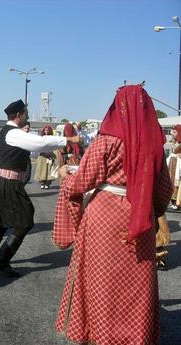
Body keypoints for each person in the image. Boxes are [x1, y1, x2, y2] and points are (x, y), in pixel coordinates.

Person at [52, 85, 172, 344]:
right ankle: (135, 336)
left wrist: (65, 180)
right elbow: (164, 190)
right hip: (140, 215)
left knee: (102, 280)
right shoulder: (155, 144)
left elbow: (84, 179)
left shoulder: (105, 140)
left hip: (104, 216)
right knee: (136, 283)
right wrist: (153, 213)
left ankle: (101, 335)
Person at [0, 99, 79, 277]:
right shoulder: (13, 133)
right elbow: (40, 142)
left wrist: (42, 152)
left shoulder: (8, 133)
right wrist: (68, 139)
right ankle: (1, 261)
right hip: (9, 183)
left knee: (1, 222)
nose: (28, 115)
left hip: (2, 181)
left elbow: (28, 149)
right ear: (18, 115)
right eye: (25, 112)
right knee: (24, 222)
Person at [167, 124, 181, 209]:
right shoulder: (174, 142)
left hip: (178, 165)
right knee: (171, 182)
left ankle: (177, 201)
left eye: (175, 132)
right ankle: (173, 201)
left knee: (177, 182)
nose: (172, 134)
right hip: (172, 164)